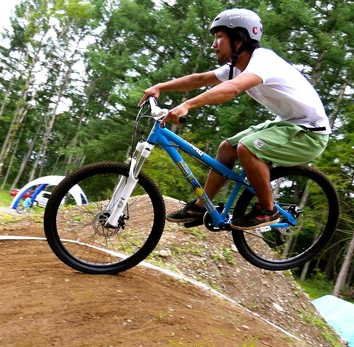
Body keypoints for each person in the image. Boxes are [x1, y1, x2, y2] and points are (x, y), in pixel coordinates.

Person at [138, 8, 331, 231]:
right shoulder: (239, 67)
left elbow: (231, 90)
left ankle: (268, 210)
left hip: (309, 135)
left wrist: (187, 105)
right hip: (289, 125)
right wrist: (160, 87)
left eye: (219, 37)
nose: (214, 44)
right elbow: (201, 79)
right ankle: (203, 206)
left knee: (246, 148)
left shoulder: (263, 61)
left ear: (239, 40)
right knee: (227, 148)